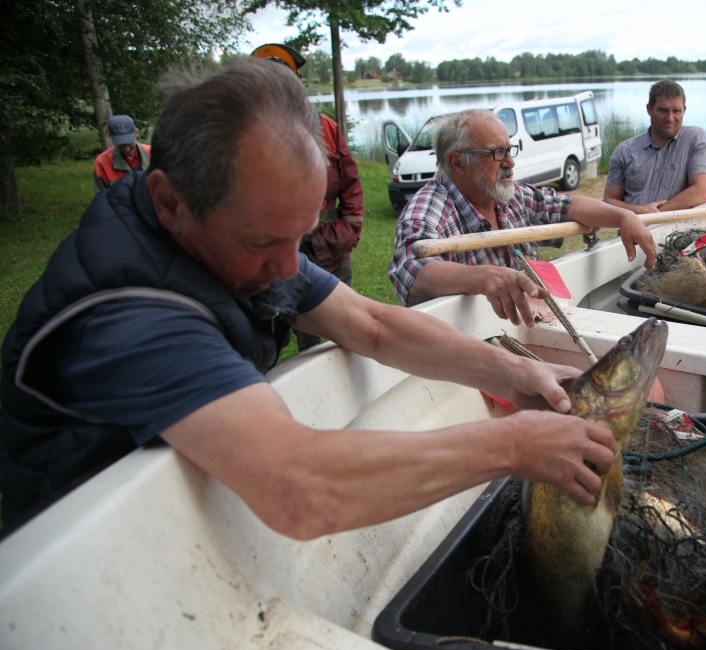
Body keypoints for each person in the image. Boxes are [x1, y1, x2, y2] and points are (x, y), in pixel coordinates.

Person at [0, 60, 620, 537]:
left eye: (299, 235)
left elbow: (373, 324)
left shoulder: (228, 232)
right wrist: (513, 446)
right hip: (69, 554)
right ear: (168, 200)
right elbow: (296, 487)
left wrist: (517, 372)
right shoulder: (131, 313)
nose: (287, 267)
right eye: (266, 241)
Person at [389, 109, 657, 323]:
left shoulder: (509, 195)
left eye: (509, 149)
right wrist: (486, 278)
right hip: (469, 349)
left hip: (528, 328)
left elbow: (565, 205)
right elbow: (411, 272)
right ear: (457, 162)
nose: (510, 162)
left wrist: (624, 217)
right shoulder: (427, 209)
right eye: (497, 153)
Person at [252, 43, 365, 351]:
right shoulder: (248, 133)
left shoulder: (325, 126)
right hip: (287, 249)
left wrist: (350, 230)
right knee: (304, 328)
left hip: (333, 242)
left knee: (349, 323)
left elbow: (351, 183)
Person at [603, 80, 706, 215]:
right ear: (649, 109)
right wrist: (639, 211)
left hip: (679, 233)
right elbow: (609, 200)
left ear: (684, 110)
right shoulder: (624, 150)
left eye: (676, 111)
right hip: (630, 233)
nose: (670, 118)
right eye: (663, 110)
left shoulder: (696, 139)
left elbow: (700, 192)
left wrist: (653, 214)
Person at [93, 115, 152, 194]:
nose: (126, 149)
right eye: (121, 144)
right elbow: (101, 200)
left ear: (136, 132)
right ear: (111, 136)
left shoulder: (154, 153)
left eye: (129, 142)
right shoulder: (102, 163)